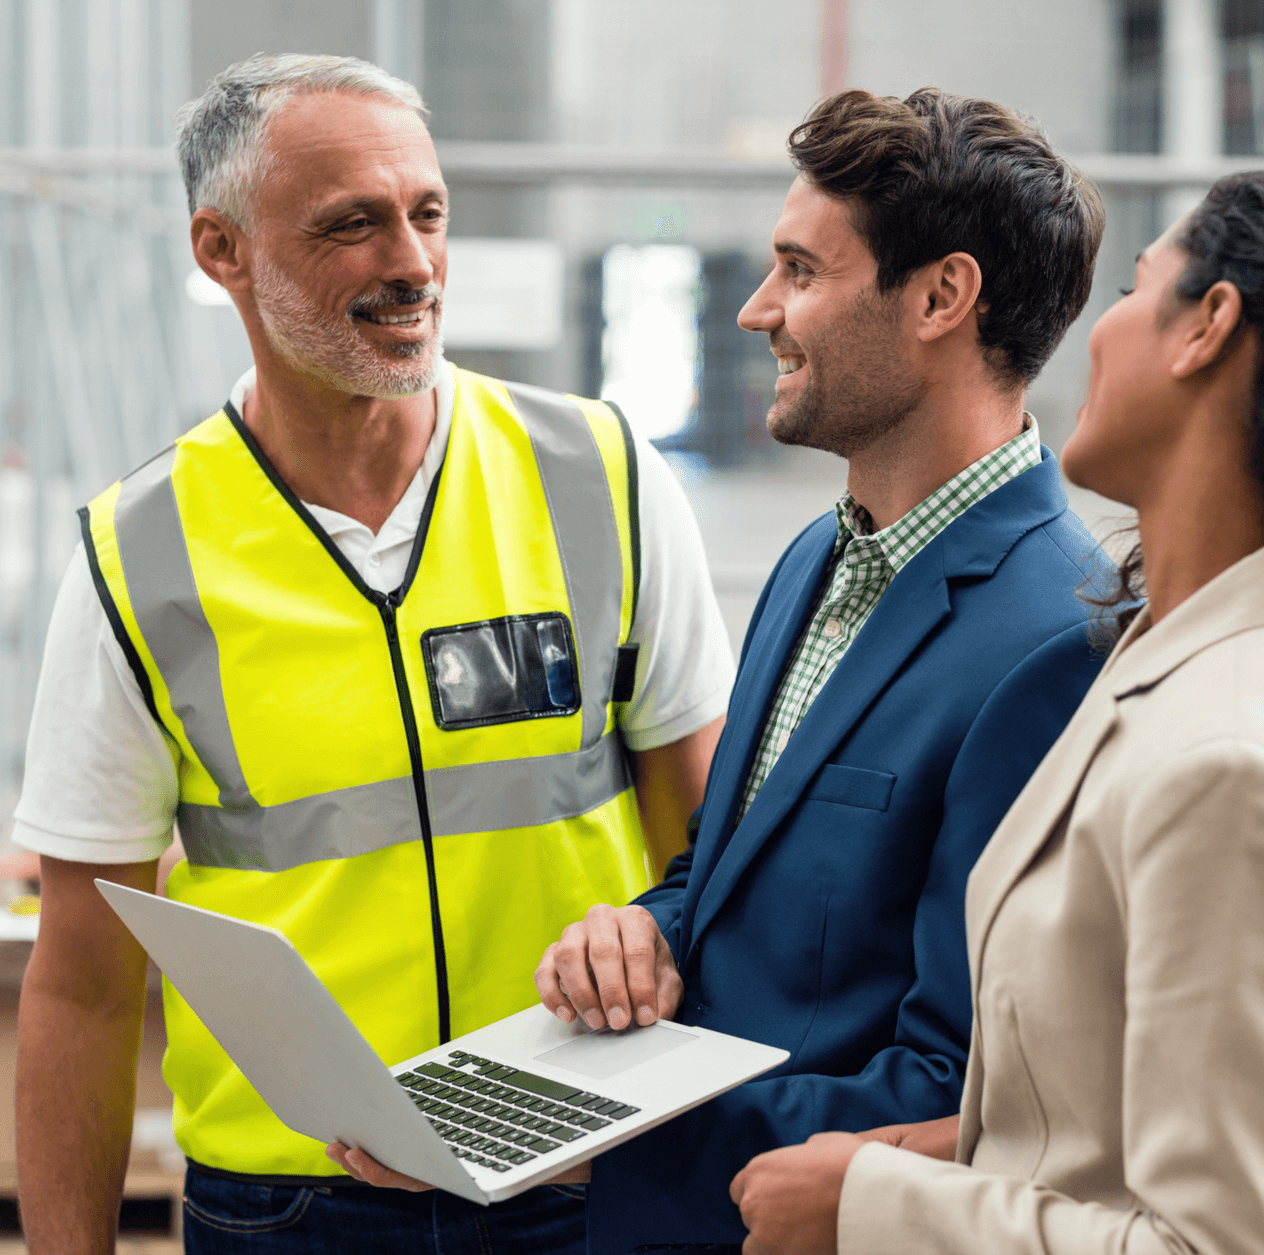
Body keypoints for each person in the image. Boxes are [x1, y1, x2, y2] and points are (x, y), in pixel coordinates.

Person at [12, 54, 734, 1255]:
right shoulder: (139, 557)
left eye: (428, 212)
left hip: (584, 1182)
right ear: (221, 250)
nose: (412, 263)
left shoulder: (599, 474)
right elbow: (83, 984)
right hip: (288, 1211)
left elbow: (709, 853)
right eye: (353, 224)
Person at [527, 87, 1111, 1252]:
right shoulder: (817, 556)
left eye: (799, 270)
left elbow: (965, 1085)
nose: (756, 310)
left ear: (942, 296)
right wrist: (639, 932)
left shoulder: (1056, 640)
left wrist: (579, 1133)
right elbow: (728, 876)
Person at [729, 171, 1264, 1255]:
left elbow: (1208, 1239)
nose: (1091, 333)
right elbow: (1057, 1111)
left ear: (1207, 325)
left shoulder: (1218, 752)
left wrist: (870, 1198)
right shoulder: (1148, 649)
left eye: (1133, 287)